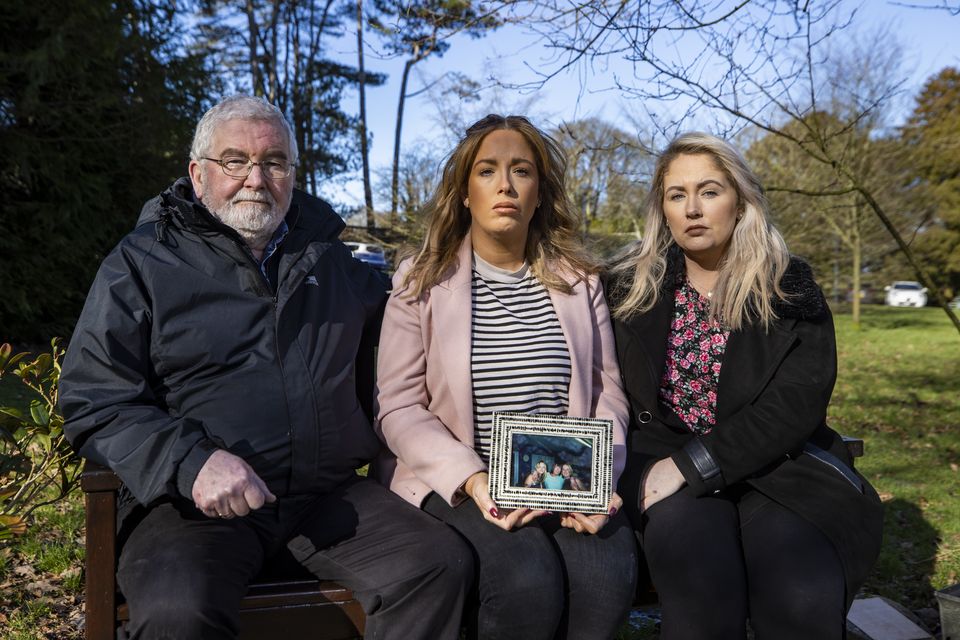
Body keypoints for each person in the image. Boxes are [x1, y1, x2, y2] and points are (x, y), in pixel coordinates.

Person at [58, 95, 472, 640]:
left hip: (329, 499)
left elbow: (422, 323)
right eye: (235, 161)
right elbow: (94, 400)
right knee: (179, 609)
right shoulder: (141, 263)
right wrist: (191, 462)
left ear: (292, 175)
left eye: (274, 162)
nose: (256, 178)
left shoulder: (331, 261)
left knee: (437, 563)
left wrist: (497, 263)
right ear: (198, 173)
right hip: (192, 506)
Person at [605, 132, 883, 640]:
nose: (692, 208)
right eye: (676, 195)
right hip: (668, 476)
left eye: (709, 191)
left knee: (798, 600)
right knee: (702, 600)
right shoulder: (629, 288)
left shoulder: (788, 287)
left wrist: (695, 464)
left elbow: (794, 406)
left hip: (779, 472)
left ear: (741, 201)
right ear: (661, 209)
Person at [374, 114, 637, 640]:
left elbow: (608, 392)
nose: (506, 185)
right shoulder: (421, 279)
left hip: (563, 477)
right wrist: (474, 480)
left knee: (606, 576)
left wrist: (596, 476)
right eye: (488, 170)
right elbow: (398, 407)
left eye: (521, 171)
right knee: (525, 580)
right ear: (464, 192)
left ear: (539, 193)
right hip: (460, 476)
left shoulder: (579, 280)